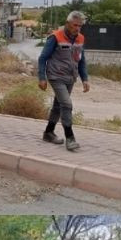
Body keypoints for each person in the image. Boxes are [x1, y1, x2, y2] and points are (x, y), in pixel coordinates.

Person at [37, 10, 90, 151]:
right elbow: (42, 58)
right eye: (75, 25)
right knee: (66, 104)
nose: (77, 28)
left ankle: (48, 132)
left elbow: (81, 60)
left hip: (70, 78)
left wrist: (85, 78)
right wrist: (42, 77)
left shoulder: (80, 38)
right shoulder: (55, 37)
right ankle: (70, 138)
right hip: (56, 76)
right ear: (67, 23)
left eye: (80, 26)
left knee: (58, 106)